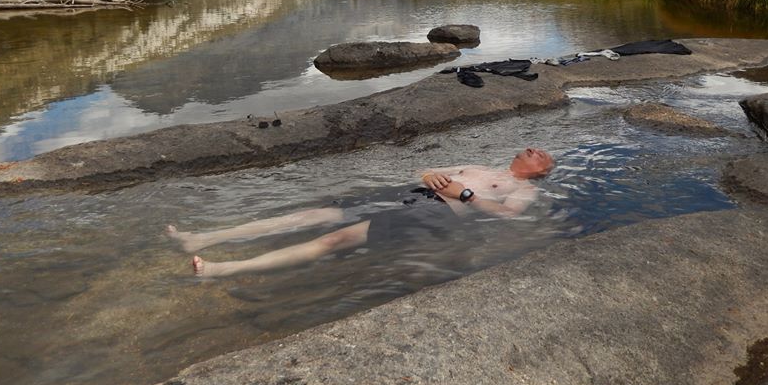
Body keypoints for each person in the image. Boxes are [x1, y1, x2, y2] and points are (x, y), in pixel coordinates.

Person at [167, 147, 555, 278]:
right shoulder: (478, 165)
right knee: (311, 215)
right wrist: (432, 174)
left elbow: (507, 217)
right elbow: (424, 170)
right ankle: (203, 237)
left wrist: (465, 194)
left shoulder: (523, 189)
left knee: (333, 240)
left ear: (542, 171)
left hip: (435, 215)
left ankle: (223, 270)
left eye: (541, 155)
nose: (533, 149)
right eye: (532, 148)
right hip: (409, 194)